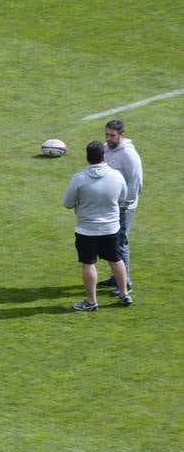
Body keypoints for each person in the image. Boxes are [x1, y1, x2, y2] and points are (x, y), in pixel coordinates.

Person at [63, 141, 130, 310]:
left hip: (86, 229)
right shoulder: (116, 176)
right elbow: (123, 197)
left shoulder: (79, 178)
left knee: (88, 263)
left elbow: (67, 203)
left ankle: (91, 302)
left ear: (87, 158)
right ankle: (124, 294)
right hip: (111, 228)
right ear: (103, 157)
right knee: (116, 259)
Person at [100, 119, 143, 295]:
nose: (108, 139)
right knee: (112, 242)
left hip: (124, 207)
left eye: (112, 135)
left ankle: (125, 283)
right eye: (107, 135)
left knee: (120, 242)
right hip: (111, 205)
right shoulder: (106, 148)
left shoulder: (129, 155)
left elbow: (136, 181)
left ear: (121, 135)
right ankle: (116, 276)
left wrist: (125, 205)